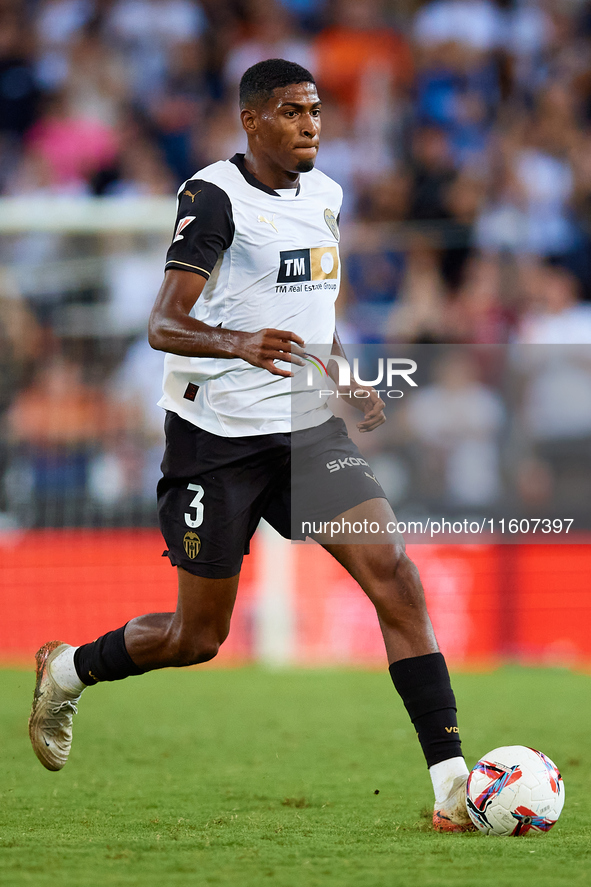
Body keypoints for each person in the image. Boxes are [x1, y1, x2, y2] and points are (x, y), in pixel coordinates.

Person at [28, 58, 473, 833]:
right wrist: (236, 341)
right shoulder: (212, 197)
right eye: (294, 111)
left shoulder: (327, 195)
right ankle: (66, 668)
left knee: (394, 575)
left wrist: (340, 372)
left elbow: (309, 311)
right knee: (195, 636)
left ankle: (453, 786)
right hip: (217, 442)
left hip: (305, 432)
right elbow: (162, 324)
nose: (311, 125)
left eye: (316, 111)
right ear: (252, 120)